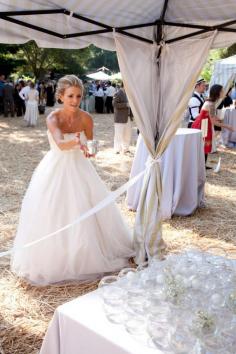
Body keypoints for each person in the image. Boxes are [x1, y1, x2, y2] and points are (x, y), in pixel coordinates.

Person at [11, 75, 134, 285]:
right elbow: (60, 143)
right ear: (60, 96)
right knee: (54, 209)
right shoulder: (53, 118)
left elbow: (92, 144)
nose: (75, 100)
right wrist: (77, 141)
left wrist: (90, 150)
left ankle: (89, 253)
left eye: (78, 96)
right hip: (56, 168)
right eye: (70, 96)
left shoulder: (86, 117)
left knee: (87, 208)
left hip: (80, 168)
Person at [192, 84, 236, 168]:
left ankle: (202, 166)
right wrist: (227, 126)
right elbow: (213, 122)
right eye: (222, 91)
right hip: (203, 125)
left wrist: (218, 118)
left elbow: (211, 115)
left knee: (204, 147)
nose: (224, 92)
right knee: (203, 147)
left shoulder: (211, 102)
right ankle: (200, 167)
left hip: (204, 124)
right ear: (217, 92)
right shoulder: (211, 103)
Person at [113, 82, 131, 154]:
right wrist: (126, 104)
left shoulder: (129, 93)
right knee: (118, 134)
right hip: (120, 118)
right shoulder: (118, 93)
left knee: (127, 134)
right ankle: (117, 149)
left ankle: (126, 148)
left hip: (128, 117)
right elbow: (114, 104)